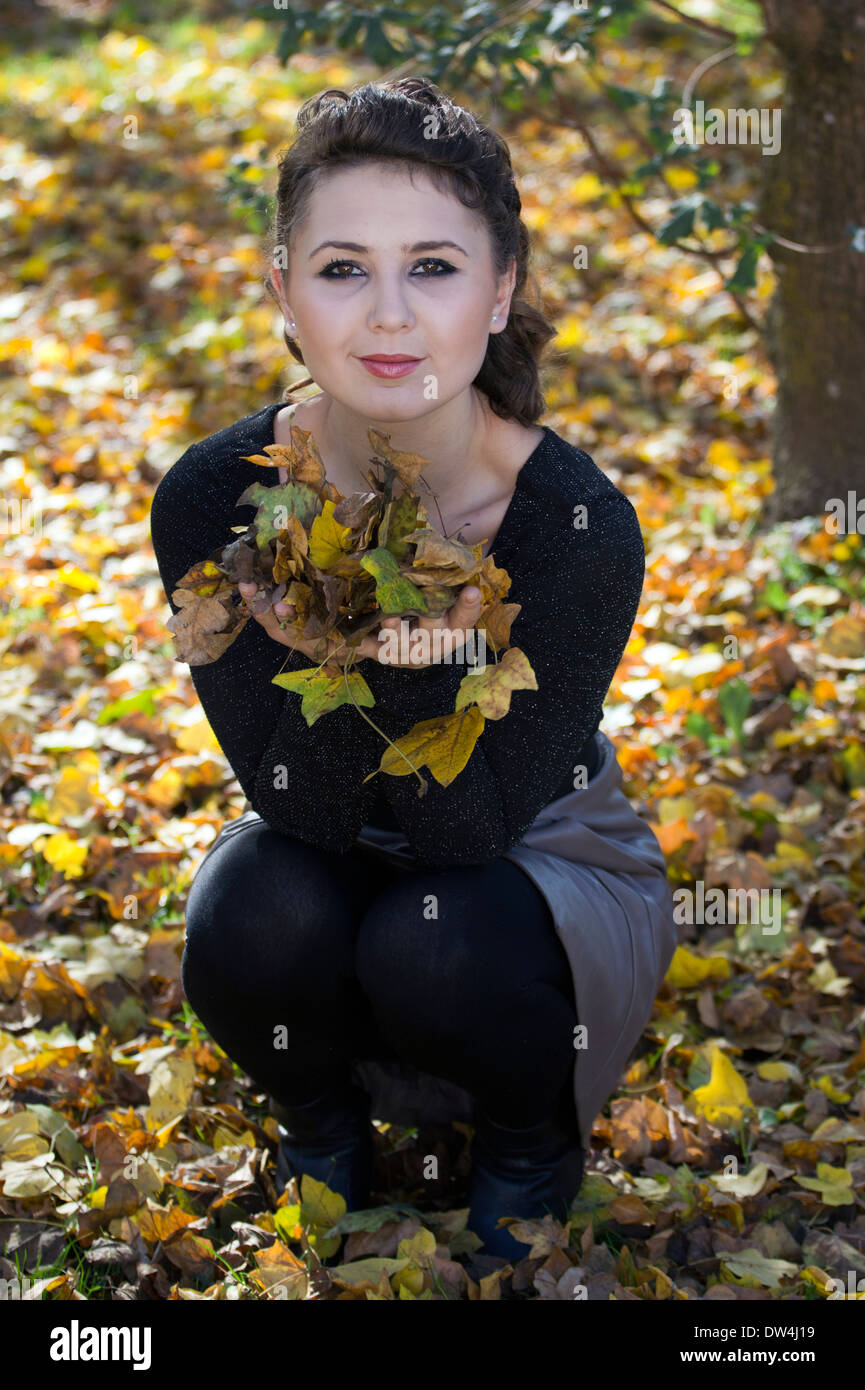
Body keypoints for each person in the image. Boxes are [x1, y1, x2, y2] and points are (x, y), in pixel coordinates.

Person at [149, 77, 678, 1262]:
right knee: (251, 906)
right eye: (343, 270)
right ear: (284, 291)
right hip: (323, 832)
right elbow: (286, 801)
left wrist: (390, 621)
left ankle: (528, 1140)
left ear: (499, 292)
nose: (388, 316)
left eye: (433, 268)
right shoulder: (213, 498)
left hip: (528, 852)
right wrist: (349, 618)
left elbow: (466, 835)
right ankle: (323, 1125)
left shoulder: (575, 525)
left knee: (432, 935)